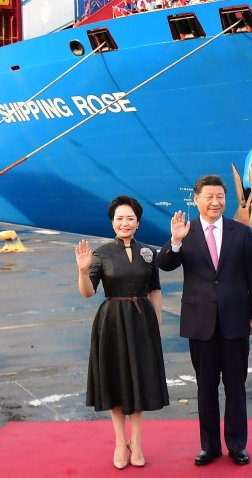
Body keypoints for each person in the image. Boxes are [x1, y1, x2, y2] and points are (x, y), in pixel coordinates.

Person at [158, 175, 252, 467]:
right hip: (200, 322)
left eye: (220, 196)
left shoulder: (240, 232)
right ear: (196, 200)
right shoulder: (185, 232)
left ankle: (237, 445)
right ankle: (210, 447)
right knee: (205, 388)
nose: (215, 202)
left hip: (235, 320)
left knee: (236, 386)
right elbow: (164, 264)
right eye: (209, 197)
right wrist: (175, 241)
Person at [75, 195, 169, 469]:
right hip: (112, 322)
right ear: (112, 223)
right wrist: (82, 272)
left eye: (130, 218)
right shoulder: (101, 253)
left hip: (142, 323)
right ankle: (119, 442)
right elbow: (87, 292)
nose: (124, 223)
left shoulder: (148, 253)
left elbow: (155, 291)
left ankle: (136, 442)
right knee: (116, 382)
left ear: (138, 223)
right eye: (119, 219)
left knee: (139, 382)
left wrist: (157, 325)